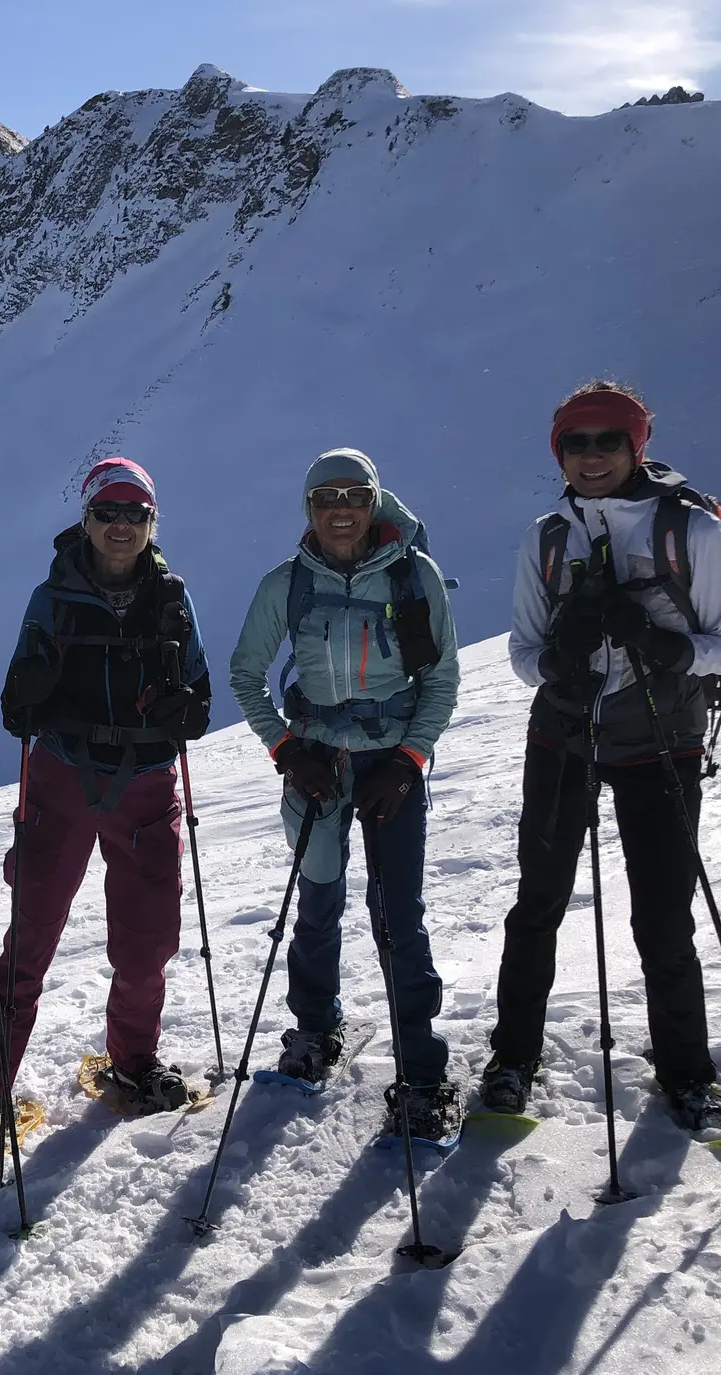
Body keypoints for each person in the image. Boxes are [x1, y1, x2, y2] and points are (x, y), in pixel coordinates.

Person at [481, 381, 721, 1130]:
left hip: (661, 737)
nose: (591, 456)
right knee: (538, 903)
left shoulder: (688, 530)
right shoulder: (545, 538)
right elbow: (522, 651)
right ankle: (512, 1059)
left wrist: (665, 647)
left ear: (639, 445)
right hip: (564, 735)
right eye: (576, 442)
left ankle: (688, 1073)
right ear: (558, 453)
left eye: (608, 441)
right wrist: (558, 664)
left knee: (663, 914)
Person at [0, 458, 212, 1158]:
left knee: (147, 942)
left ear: (152, 522)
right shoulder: (53, 598)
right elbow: (14, 706)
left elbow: (200, 695)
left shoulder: (173, 599)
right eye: (108, 513)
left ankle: (133, 1060)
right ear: (87, 519)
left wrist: (188, 709)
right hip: (63, 777)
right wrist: (27, 694)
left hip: (145, 783)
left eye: (134, 514)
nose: (120, 526)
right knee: (29, 941)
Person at [228, 448, 463, 1139]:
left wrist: (408, 761)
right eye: (326, 496)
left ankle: (422, 1071)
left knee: (397, 917)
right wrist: (286, 750)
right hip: (319, 765)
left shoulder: (413, 578)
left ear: (373, 502)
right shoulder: (287, 586)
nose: (340, 508)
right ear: (309, 508)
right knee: (317, 900)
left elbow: (442, 680)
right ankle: (314, 1029)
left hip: (390, 764)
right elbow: (247, 674)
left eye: (354, 495)